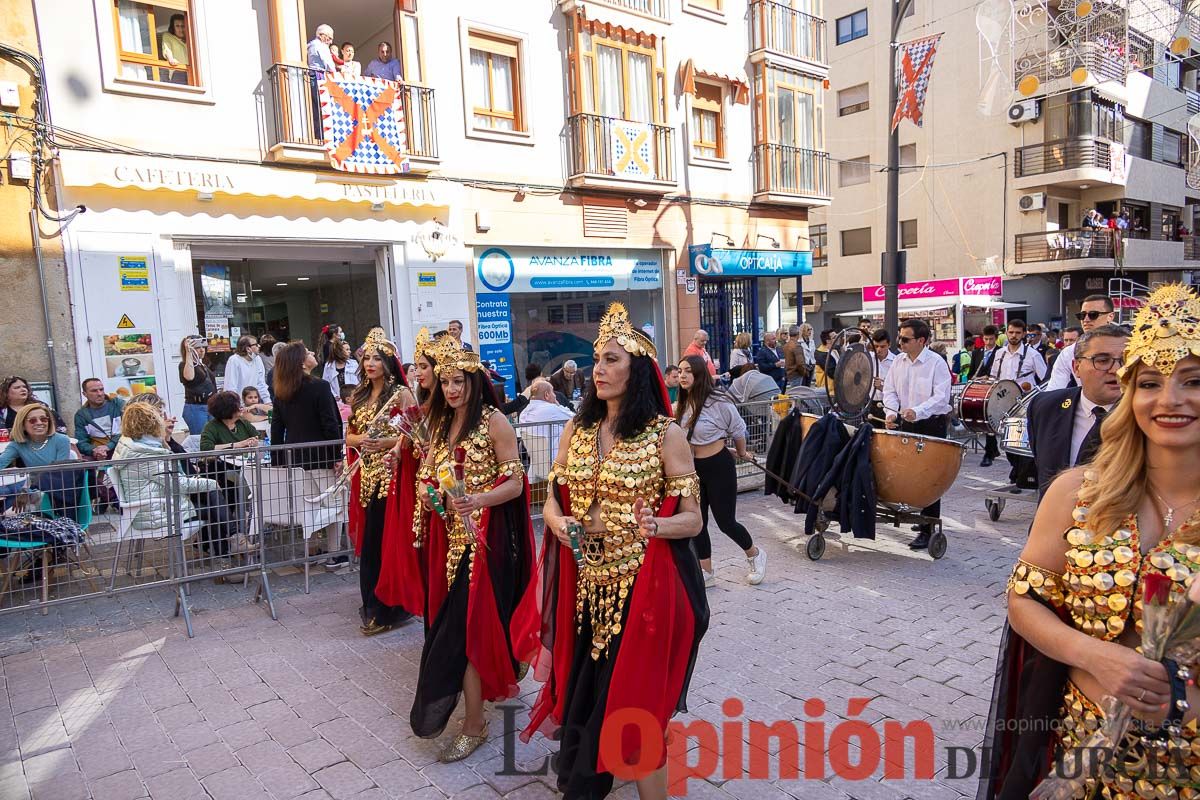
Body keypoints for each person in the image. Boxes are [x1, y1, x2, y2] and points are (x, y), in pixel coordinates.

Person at [977, 283, 1200, 800]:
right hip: (1075, 760)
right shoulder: (1077, 492)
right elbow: (1024, 602)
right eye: (1150, 383)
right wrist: (1095, 656)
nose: (1169, 400)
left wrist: (1181, 699)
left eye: (1193, 380)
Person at [527, 302, 706, 798]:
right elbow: (551, 501)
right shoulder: (576, 431)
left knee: (637, 711)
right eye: (597, 361)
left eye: (610, 360)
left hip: (643, 594)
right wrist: (559, 522)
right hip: (586, 592)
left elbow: (693, 517)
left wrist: (659, 525)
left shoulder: (664, 436)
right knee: (588, 703)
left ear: (638, 371)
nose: (598, 370)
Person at [410, 336, 538, 763]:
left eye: (459, 381)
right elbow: (427, 477)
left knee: (467, 632)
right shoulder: (439, 425)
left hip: (486, 544)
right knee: (458, 628)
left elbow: (517, 483)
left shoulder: (495, 422)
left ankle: (474, 724)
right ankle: (489, 689)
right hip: (449, 542)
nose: (451, 389)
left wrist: (478, 500)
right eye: (445, 381)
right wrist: (431, 495)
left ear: (474, 381)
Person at [346, 330, 416, 634]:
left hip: (391, 475)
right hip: (366, 477)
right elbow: (348, 435)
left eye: (377, 358)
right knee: (372, 543)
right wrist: (363, 439)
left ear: (388, 363)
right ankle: (372, 604)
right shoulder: (359, 395)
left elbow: (415, 434)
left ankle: (390, 607)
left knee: (390, 541)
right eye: (367, 358)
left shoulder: (401, 394)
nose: (370, 362)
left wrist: (386, 443)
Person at [676, 355, 766, 586]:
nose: (682, 375)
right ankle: (706, 571)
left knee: (726, 522)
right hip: (693, 469)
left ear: (699, 374)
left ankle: (755, 554)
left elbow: (738, 429)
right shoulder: (682, 402)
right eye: (680, 371)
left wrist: (742, 451)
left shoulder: (718, 401)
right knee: (698, 522)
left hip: (718, 466)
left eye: (687, 371)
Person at [111, 403, 229, 565]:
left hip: (155, 505)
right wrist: (211, 483)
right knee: (213, 500)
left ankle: (227, 550)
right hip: (156, 512)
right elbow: (177, 484)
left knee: (212, 497)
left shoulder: (134, 446)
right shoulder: (145, 454)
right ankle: (227, 553)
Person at [1026, 324, 1127, 499]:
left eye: (1125, 361)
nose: (1116, 370)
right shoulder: (1045, 407)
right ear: (1076, 367)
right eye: (1102, 360)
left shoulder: (1145, 416)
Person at [883, 318, 953, 550]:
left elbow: (941, 397)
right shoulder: (898, 362)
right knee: (909, 472)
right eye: (899, 338)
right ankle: (918, 514)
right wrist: (891, 412)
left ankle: (927, 528)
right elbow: (889, 390)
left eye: (905, 339)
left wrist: (918, 411)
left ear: (921, 341)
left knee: (930, 475)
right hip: (907, 422)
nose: (900, 343)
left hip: (931, 423)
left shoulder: (937, 363)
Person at [991, 319, 1047, 491]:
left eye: (1017, 333)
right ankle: (1017, 473)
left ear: (1024, 334)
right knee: (1006, 441)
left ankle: (1020, 476)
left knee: (1020, 441)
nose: (1013, 336)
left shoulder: (1032, 355)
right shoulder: (999, 353)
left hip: (1024, 406)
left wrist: (1031, 390)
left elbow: (1045, 378)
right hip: (1003, 404)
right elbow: (994, 376)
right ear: (1006, 333)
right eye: (1011, 332)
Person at [0, 404, 82, 520]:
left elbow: (57, 473)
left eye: (44, 419)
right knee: (7, 491)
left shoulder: (61, 440)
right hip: (32, 489)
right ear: (22, 425)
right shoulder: (17, 444)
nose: (39, 423)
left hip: (57, 490)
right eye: (32, 420)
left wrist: (27, 491)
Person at [1046, 294, 1116, 390]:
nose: (1086, 320)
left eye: (1093, 315)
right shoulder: (1068, 353)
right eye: (1082, 315)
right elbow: (1054, 389)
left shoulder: (1128, 346)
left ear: (1110, 316)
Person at [969, 325, 1003, 467]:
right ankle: (993, 449)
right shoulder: (977, 353)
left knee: (989, 420)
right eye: (986, 339)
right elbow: (971, 373)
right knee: (983, 420)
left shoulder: (1001, 352)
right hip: (979, 389)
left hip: (993, 390)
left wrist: (988, 377)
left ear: (996, 339)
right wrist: (976, 379)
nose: (988, 342)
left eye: (991, 339)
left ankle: (989, 453)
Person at [73, 379, 124, 461]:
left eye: (101, 389)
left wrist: (109, 446)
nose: (99, 394)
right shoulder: (81, 415)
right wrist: (94, 451)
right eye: (94, 391)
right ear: (85, 394)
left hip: (123, 451)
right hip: (100, 456)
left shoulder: (118, 405)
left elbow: (129, 430)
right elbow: (81, 442)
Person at [1, 376, 66, 434]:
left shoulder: (40, 406)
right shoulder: (2, 410)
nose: (23, 389)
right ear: (6, 392)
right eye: (17, 388)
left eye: (24, 387)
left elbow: (60, 428)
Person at [222, 335, 272, 405]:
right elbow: (231, 386)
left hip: (254, 405)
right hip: (238, 405)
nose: (259, 346)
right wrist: (235, 406)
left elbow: (261, 383)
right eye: (256, 345)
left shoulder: (257, 359)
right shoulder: (234, 360)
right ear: (248, 349)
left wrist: (267, 401)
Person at [869, 329, 896, 425]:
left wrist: (882, 387)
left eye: (882, 346)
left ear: (889, 345)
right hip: (870, 404)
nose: (878, 350)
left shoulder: (895, 362)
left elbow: (898, 388)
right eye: (876, 346)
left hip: (889, 405)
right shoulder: (867, 359)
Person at [159, 13, 189, 84]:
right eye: (177, 26)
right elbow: (167, 49)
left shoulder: (190, 39)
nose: (180, 29)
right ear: (173, 27)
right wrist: (171, 59)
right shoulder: (168, 36)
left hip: (192, 72)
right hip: (178, 71)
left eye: (182, 26)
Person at [783, 324, 808, 391]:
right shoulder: (797, 346)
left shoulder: (786, 345)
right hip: (796, 373)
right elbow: (800, 363)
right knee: (797, 394)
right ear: (798, 333)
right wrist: (803, 372)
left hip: (789, 373)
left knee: (793, 392)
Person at [812, 329, 837, 393]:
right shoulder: (821, 354)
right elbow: (832, 372)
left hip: (835, 388)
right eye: (834, 337)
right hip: (828, 390)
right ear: (828, 341)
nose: (837, 338)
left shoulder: (834, 351)